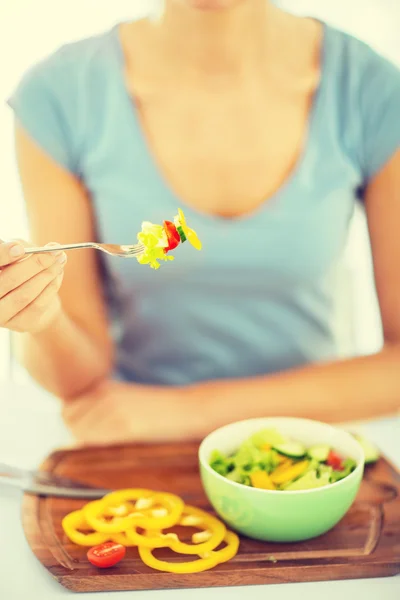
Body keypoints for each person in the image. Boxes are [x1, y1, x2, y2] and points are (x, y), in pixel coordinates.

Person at [1, 0, 400, 445]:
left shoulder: (373, 90)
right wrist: (40, 318)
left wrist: (187, 410)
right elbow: (77, 377)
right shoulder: (58, 95)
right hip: (130, 449)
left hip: (305, 449)